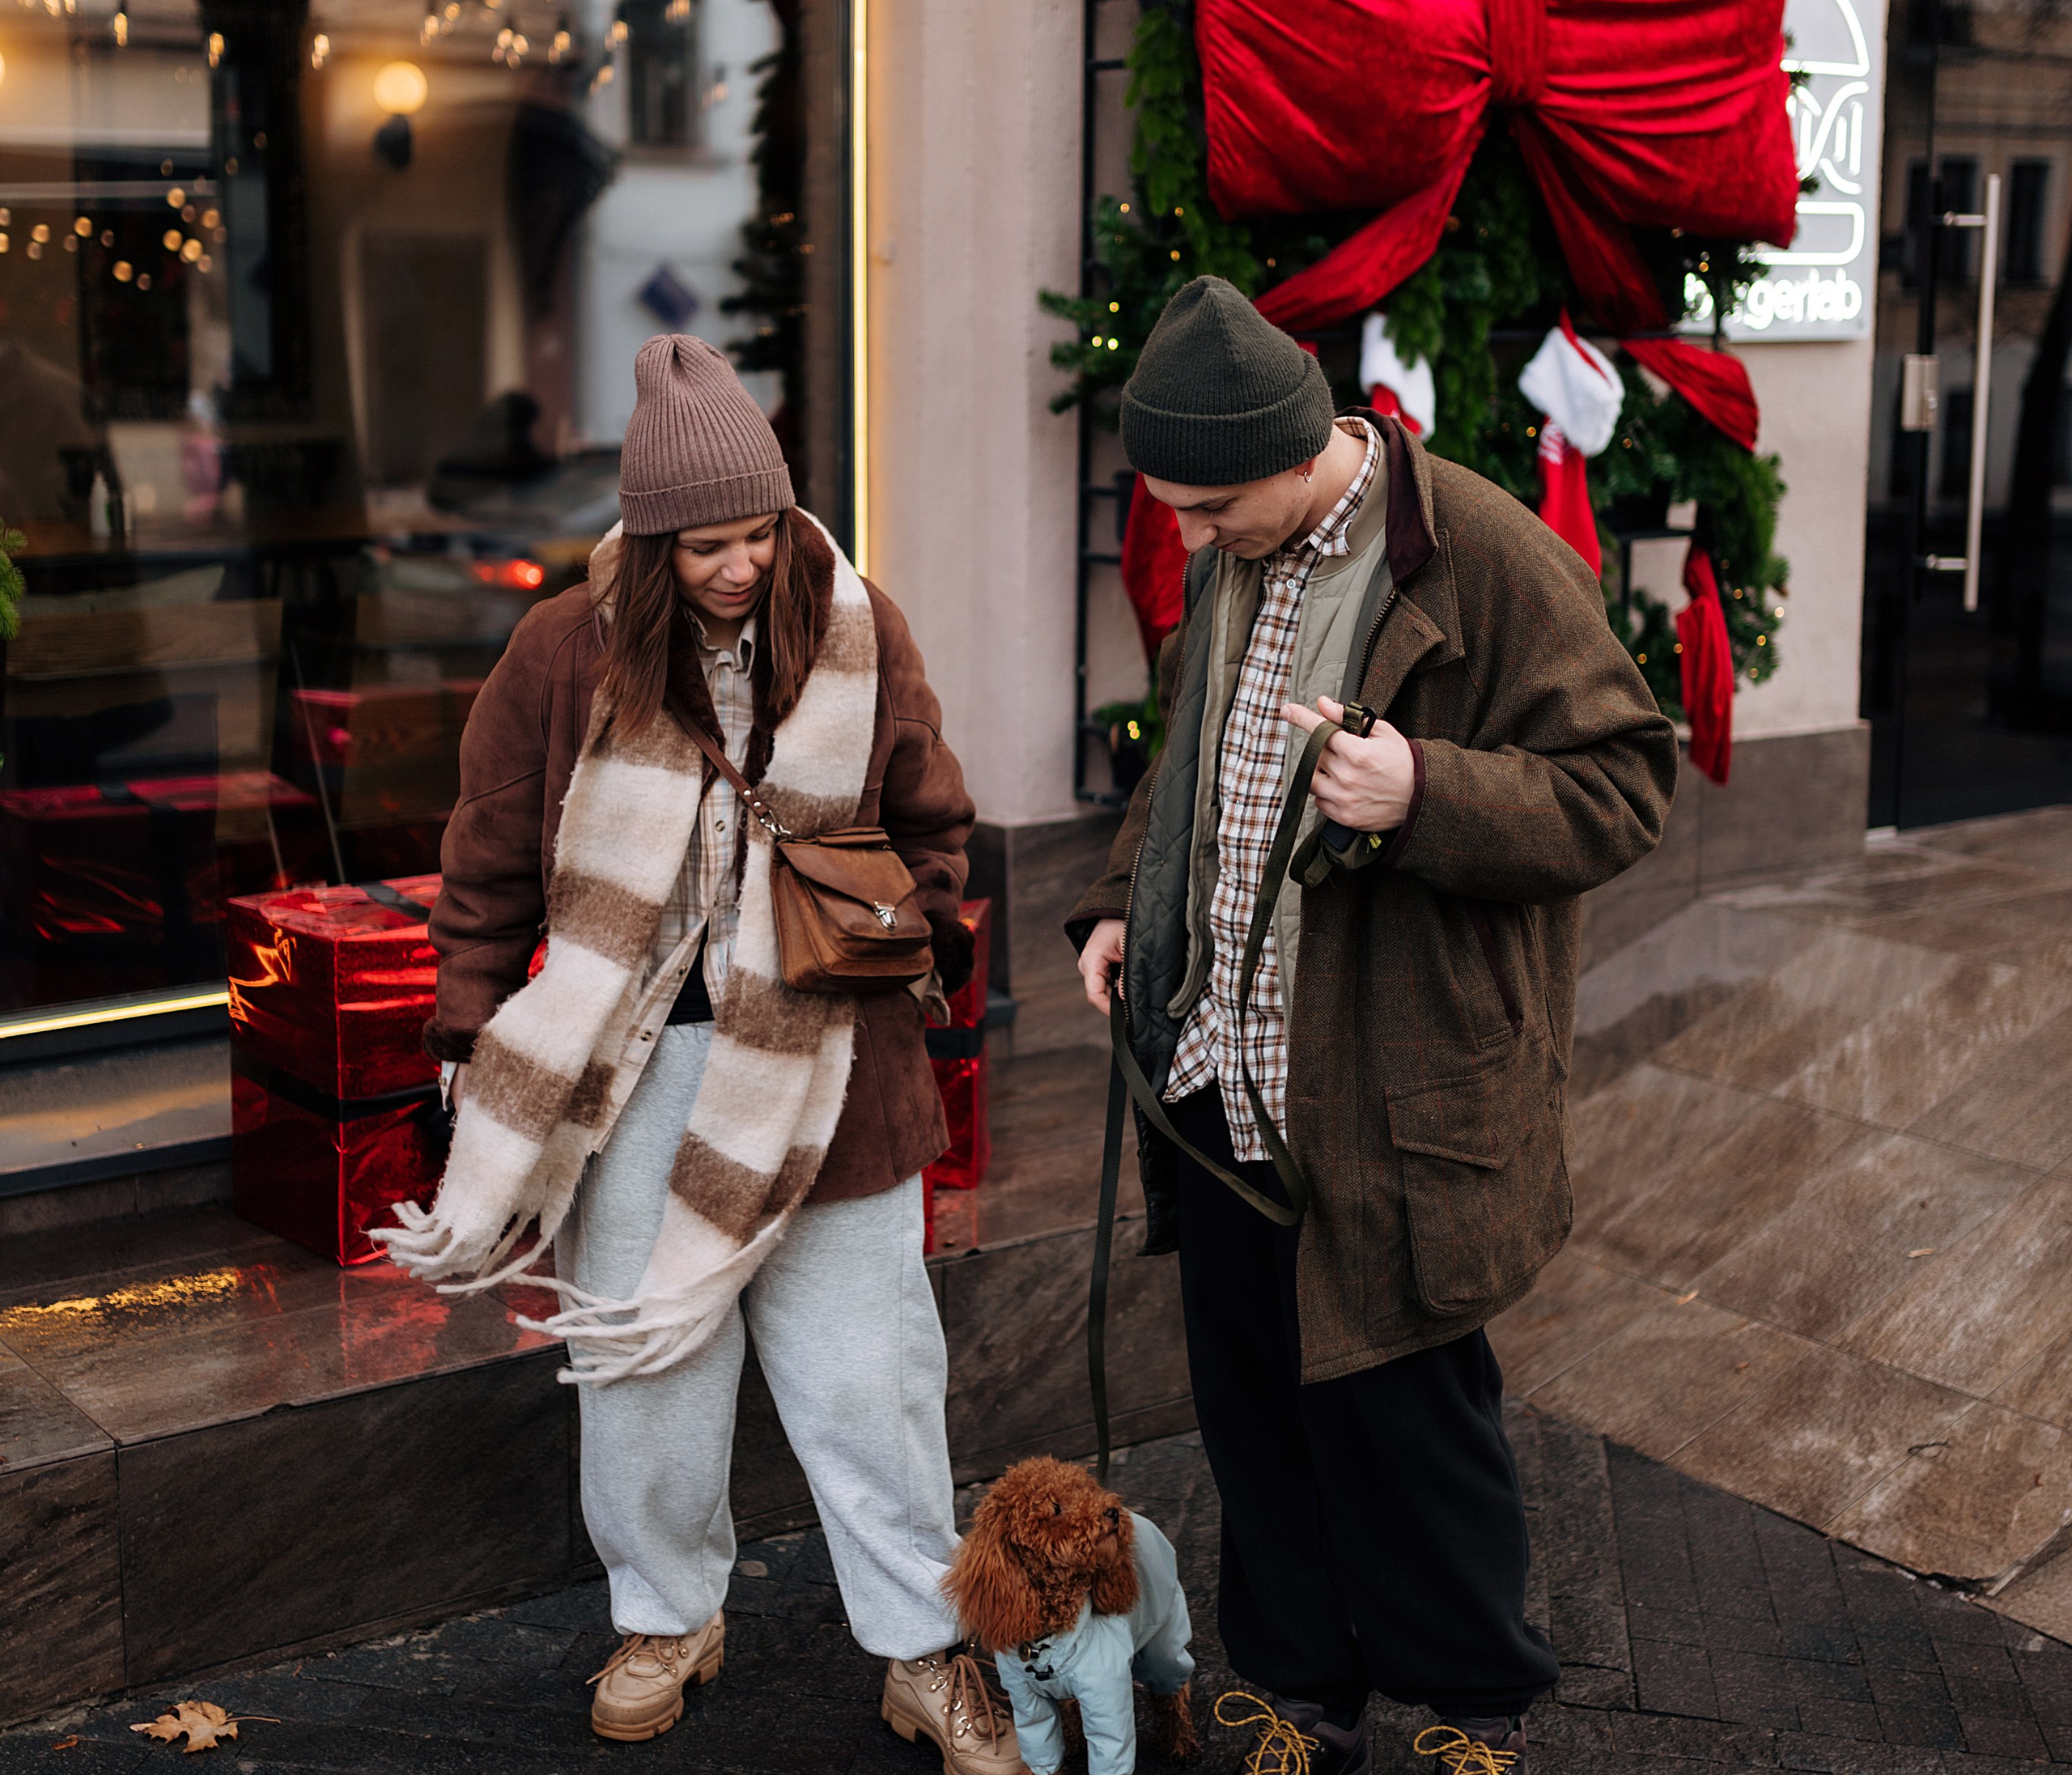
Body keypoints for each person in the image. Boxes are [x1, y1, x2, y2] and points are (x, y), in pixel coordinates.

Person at [380, 334, 1023, 1773]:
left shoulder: (859, 625)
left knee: (874, 1383)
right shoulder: (562, 649)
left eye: (761, 534)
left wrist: (893, 932)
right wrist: (472, 1027)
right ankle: (667, 1617)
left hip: (828, 1080)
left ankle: (926, 1651)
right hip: (625, 1082)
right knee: (647, 1384)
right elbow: (485, 861)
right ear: (652, 538)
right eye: (708, 546)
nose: (741, 567)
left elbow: (936, 827)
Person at [1068, 277, 1679, 1775]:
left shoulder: (1481, 553)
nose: (1190, 539)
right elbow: (1188, 764)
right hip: (1220, 1074)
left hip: (1395, 1088)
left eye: (1210, 507)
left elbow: (1626, 789)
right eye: (1173, 508)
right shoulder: (1241, 546)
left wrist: (1425, 796)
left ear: (1296, 453)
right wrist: (1112, 910)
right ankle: (1299, 1688)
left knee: (1408, 1422)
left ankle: (1474, 1705)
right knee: (1255, 1414)